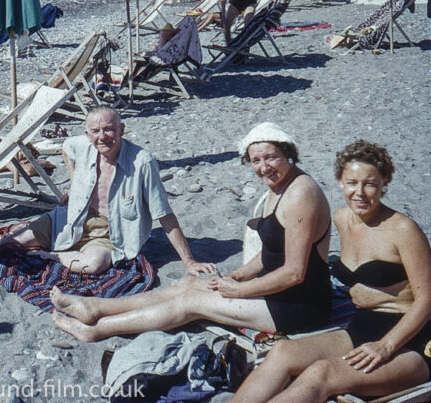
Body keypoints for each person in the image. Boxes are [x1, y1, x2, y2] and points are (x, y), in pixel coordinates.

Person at [50, 122, 333, 342]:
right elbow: (274, 252)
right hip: (279, 290)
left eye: (271, 157)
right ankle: (97, 307)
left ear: (288, 153)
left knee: (189, 303)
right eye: (256, 161)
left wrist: (241, 288)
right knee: (187, 284)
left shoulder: (300, 194)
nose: (263, 167)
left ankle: (97, 330)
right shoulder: (279, 188)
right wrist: (237, 275)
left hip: (299, 306)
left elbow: (295, 272)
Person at [231, 141, 431, 403]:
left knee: (321, 374)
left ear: (385, 182)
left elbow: (426, 300)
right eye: (351, 183)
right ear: (340, 182)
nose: (359, 192)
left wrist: (386, 346)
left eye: (370, 183)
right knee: (282, 352)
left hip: (410, 344)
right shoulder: (342, 219)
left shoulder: (403, 231)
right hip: (360, 329)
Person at [0, 106, 214, 277]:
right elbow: (66, 147)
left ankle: (49, 255)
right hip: (72, 219)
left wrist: (189, 261)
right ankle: (49, 244)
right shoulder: (82, 145)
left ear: (121, 129)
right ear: (87, 134)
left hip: (110, 231)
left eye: (109, 129)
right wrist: (74, 186)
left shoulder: (142, 163)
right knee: (6, 246)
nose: (102, 137)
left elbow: (164, 214)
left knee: (92, 265)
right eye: (95, 131)